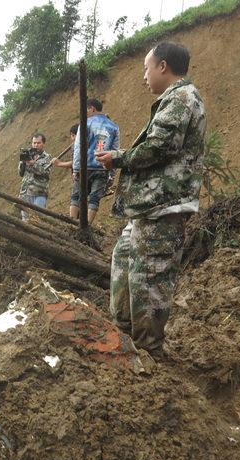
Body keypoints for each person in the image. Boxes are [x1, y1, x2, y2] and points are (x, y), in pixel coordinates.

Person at [95, 41, 206, 357]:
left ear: (162, 66)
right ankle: (127, 343)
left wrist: (118, 158)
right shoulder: (172, 100)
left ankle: (149, 355)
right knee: (124, 268)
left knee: (148, 284)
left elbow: (159, 147)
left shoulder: (182, 98)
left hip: (163, 209)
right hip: (147, 209)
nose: (144, 76)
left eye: (146, 68)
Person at [71, 98, 120, 223]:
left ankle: (70, 223)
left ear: (91, 108)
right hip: (102, 168)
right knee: (94, 199)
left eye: (86, 109)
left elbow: (78, 147)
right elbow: (114, 152)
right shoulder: (114, 127)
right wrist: (112, 175)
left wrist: (76, 168)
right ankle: (87, 227)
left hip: (85, 166)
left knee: (76, 196)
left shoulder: (85, 123)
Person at [18, 133, 69, 220]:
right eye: (34, 143)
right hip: (25, 192)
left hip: (39, 192)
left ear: (43, 144)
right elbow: (20, 173)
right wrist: (23, 162)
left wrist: (33, 163)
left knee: (38, 217)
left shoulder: (47, 157)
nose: (36, 145)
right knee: (25, 219)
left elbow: (45, 172)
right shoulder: (28, 154)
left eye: (38, 143)